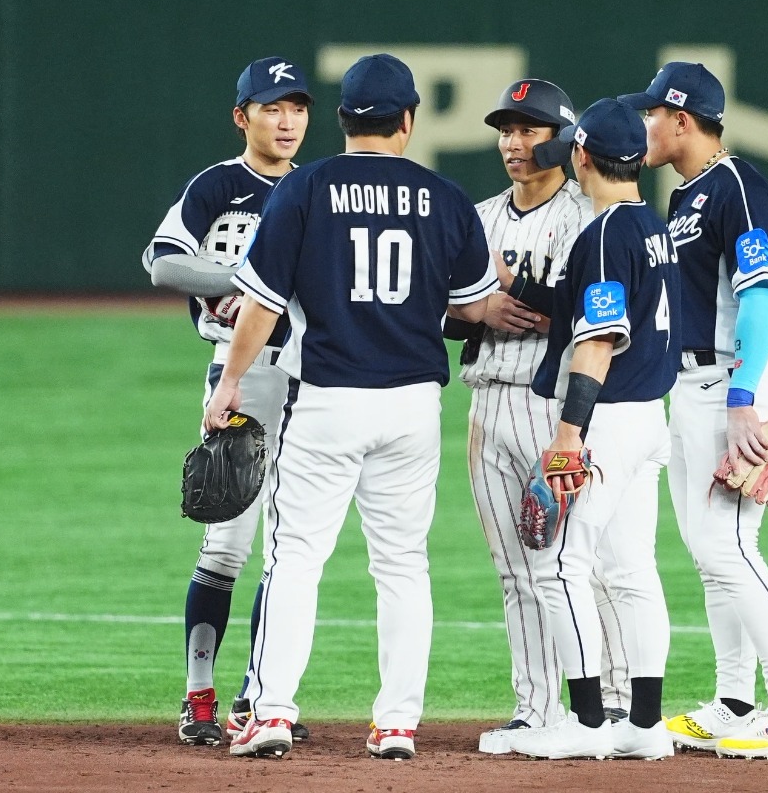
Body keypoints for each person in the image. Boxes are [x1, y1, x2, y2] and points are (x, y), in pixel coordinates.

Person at [202, 53, 498, 761]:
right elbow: (477, 304)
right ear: (408, 120)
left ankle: (270, 712)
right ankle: (396, 723)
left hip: (330, 398)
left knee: (297, 558)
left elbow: (263, 306)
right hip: (413, 406)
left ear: (340, 120)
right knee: (402, 564)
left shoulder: (304, 189)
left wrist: (228, 382)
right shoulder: (446, 197)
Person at [618, 61, 768, 758]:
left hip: (737, 387)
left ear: (682, 119)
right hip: (694, 391)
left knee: (728, 548)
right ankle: (734, 701)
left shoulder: (736, 187)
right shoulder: (688, 196)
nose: (641, 125)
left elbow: (760, 294)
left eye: (651, 114)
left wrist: (745, 397)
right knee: (712, 557)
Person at [442, 79, 632, 746]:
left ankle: (610, 698)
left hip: (554, 406)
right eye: (506, 130)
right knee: (514, 570)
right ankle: (536, 707)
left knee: (577, 563)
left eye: (528, 129)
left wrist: (518, 295)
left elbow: (587, 312)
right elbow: (443, 311)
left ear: (562, 140)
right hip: (486, 404)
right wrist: (475, 310)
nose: (513, 143)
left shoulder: (588, 216)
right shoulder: (477, 216)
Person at [142, 56, 313, 747]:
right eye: (272, 107)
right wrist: (245, 274)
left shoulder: (317, 188)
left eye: (297, 107)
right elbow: (162, 261)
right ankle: (200, 695)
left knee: (291, 550)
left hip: (310, 377)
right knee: (227, 544)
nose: (286, 120)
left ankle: (260, 696)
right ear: (243, 117)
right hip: (237, 376)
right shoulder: (219, 185)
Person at [504, 98, 681, 761]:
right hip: (649, 420)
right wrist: (526, 285)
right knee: (632, 569)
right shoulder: (650, 227)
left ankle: (583, 723)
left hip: (607, 420)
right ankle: (644, 724)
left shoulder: (603, 234)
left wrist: (568, 433)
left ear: (580, 156)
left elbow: (599, 340)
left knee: (560, 563)